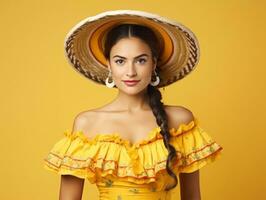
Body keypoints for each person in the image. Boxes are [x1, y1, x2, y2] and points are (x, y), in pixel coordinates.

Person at [43, 10, 223, 200]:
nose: (130, 71)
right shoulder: (87, 124)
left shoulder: (180, 121)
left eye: (141, 60)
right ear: (109, 65)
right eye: (120, 61)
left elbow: (193, 196)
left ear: (154, 63)